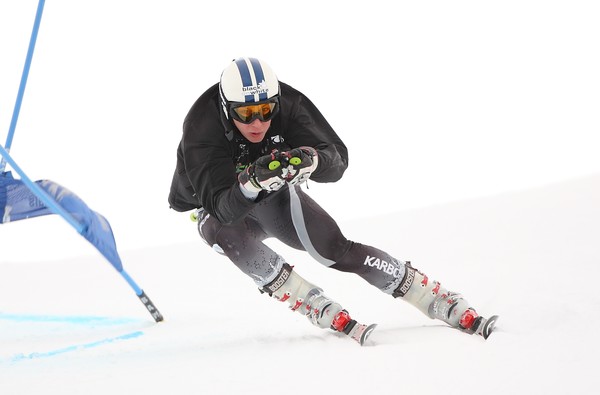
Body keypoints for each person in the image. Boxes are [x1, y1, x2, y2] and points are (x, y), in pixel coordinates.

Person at [168, 57, 496, 345]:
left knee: (334, 249)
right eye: (247, 113)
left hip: (269, 190)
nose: (258, 122)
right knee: (226, 236)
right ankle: (306, 299)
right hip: (217, 203)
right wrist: (250, 184)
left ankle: (431, 296)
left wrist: (312, 160)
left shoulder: (291, 103)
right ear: (227, 108)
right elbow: (223, 207)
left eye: (266, 110)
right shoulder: (201, 126)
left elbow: (336, 158)